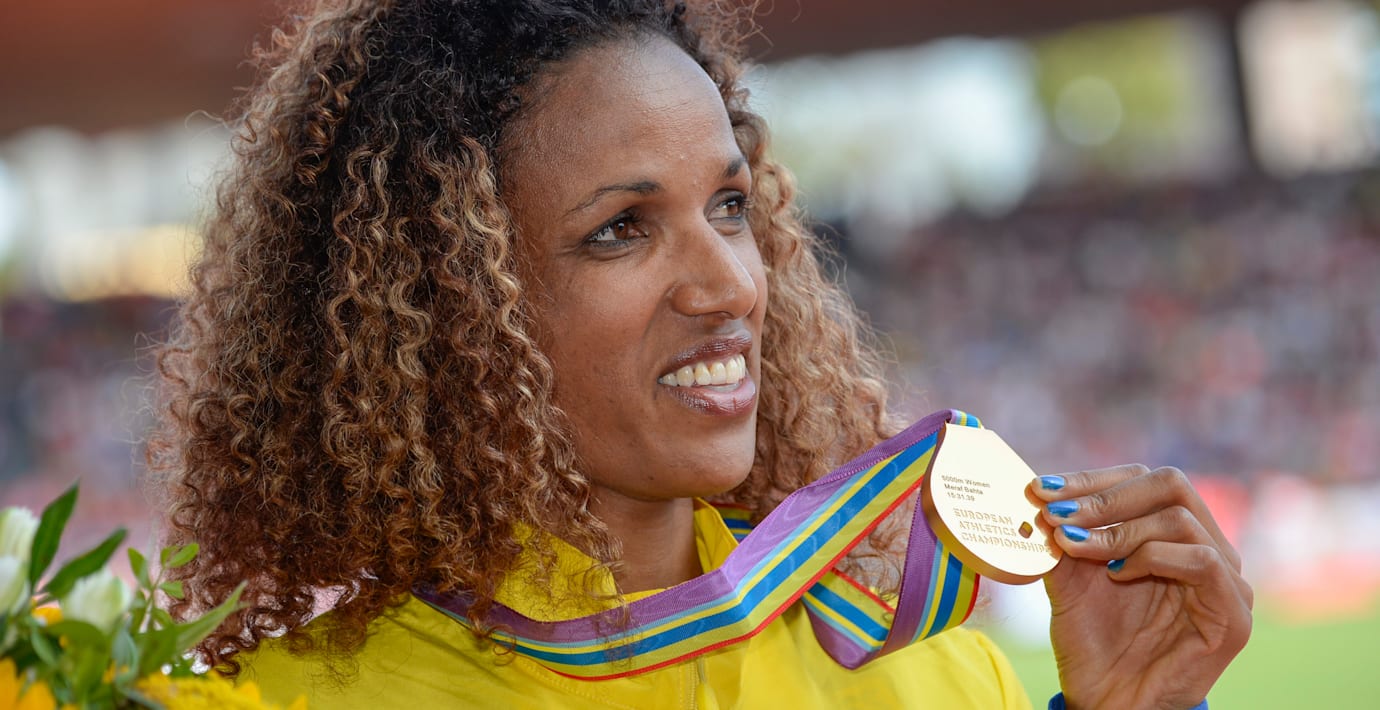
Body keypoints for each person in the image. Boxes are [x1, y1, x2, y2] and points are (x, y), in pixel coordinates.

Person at [150, 1, 1252, 707]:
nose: (730, 283)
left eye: (729, 205)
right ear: (451, 300)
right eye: (620, 228)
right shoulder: (285, 702)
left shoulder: (934, 671)